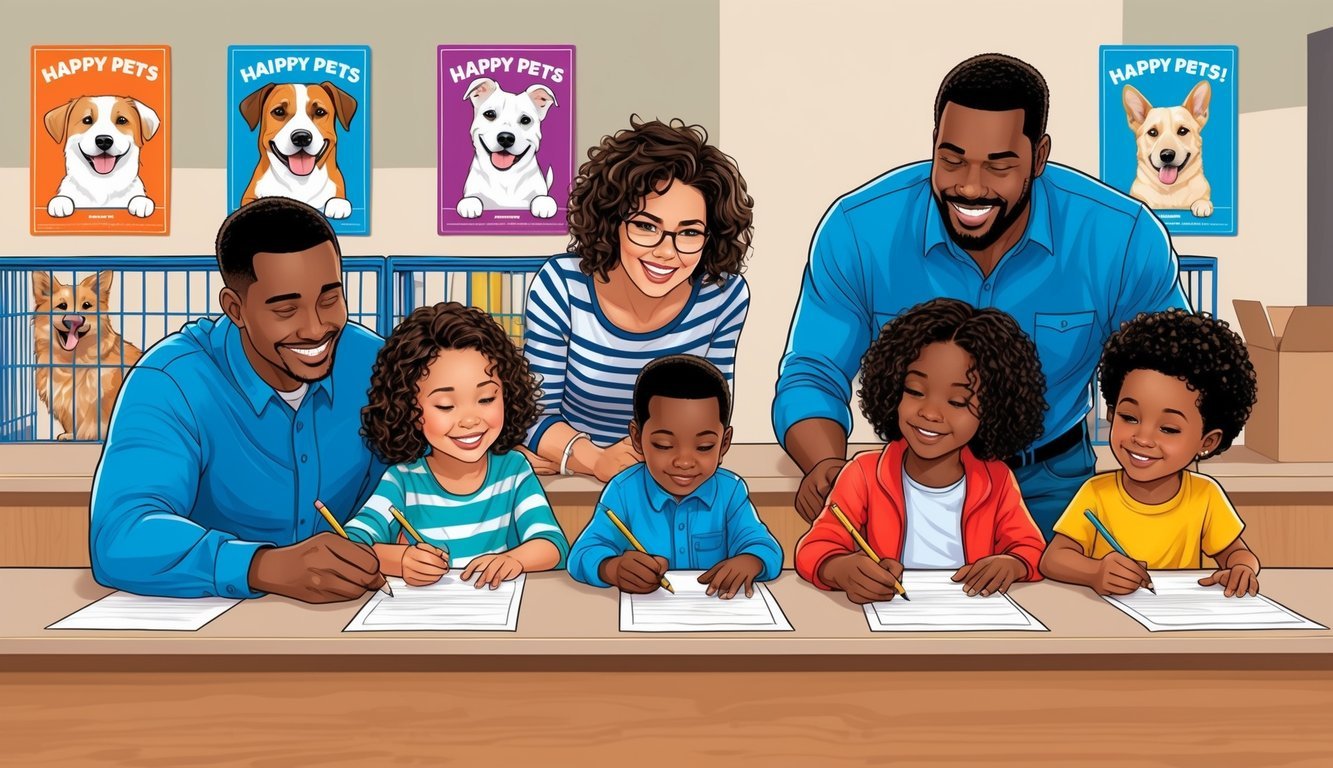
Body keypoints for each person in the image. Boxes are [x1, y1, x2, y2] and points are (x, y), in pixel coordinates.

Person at [773, 53, 1190, 536]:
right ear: (933, 145)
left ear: (1039, 157)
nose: (970, 186)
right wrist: (826, 464)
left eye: (999, 165)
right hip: (907, 482)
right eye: (952, 160)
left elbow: (1172, 373)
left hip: (1053, 486)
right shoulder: (857, 229)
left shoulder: (1122, 237)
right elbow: (813, 372)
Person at [90, 198, 389, 602]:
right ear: (236, 309)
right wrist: (262, 567)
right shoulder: (170, 382)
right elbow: (121, 535)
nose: (316, 328)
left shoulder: (375, 365)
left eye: (329, 299)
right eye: (286, 308)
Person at [523, 117, 755, 482]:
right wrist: (594, 461)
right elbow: (534, 416)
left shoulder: (723, 295)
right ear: (612, 221)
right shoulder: (562, 286)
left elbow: (711, 417)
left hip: (673, 479)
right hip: (576, 482)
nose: (666, 251)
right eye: (646, 226)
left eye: (689, 232)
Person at [796, 299, 1047, 604]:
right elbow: (814, 548)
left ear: (993, 410)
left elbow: (1033, 551)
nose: (930, 413)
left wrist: (1013, 564)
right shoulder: (863, 474)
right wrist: (840, 569)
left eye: (957, 402)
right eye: (915, 391)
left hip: (974, 627)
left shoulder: (997, 480)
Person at [1040, 309, 1262, 597]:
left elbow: (1239, 555)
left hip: (1178, 624)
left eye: (1168, 429)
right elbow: (1053, 559)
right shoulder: (1096, 493)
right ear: (1111, 412)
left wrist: (1241, 570)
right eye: (1129, 417)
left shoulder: (1205, 497)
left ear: (1207, 441)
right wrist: (1095, 572)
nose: (1142, 439)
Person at [347, 302, 569, 590]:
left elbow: (553, 544)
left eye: (486, 399)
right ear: (409, 410)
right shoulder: (403, 480)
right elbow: (350, 545)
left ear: (508, 394)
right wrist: (398, 559)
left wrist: (516, 559)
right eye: (446, 405)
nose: (469, 420)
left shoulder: (513, 471)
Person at [567, 355, 782, 599]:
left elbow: (767, 547)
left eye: (704, 447)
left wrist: (751, 560)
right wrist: (611, 568)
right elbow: (581, 554)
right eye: (664, 444)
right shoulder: (623, 491)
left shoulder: (730, 491)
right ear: (637, 438)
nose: (684, 462)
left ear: (724, 444)